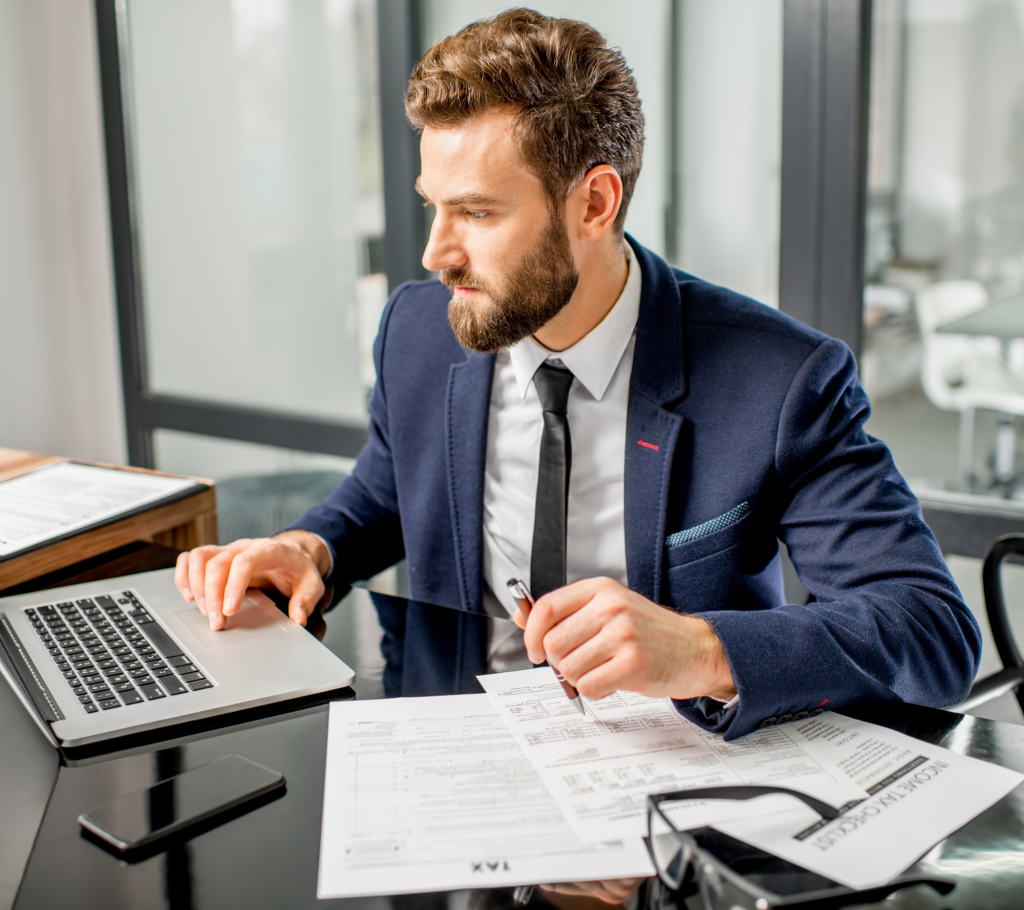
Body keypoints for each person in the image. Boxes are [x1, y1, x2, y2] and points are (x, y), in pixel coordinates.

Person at [174, 9, 980, 739]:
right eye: (432, 206)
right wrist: (310, 547)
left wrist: (700, 648)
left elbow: (931, 630)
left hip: (673, 771)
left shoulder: (780, 379)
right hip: (451, 742)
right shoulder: (419, 331)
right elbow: (386, 489)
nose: (435, 253)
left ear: (595, 203)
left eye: (477, 212)